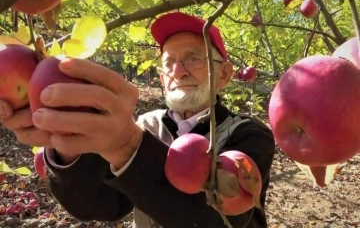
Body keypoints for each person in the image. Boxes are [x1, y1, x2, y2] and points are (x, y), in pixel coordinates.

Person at [0, 12, 275, 228]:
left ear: (225, 74)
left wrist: (128, 147)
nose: (179, 72)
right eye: (168, 62)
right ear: (160, 77)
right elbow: (100, 207)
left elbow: (217, 221)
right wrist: (68, 143)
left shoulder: (249, 135)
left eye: (195, 58)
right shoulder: (147, 124)